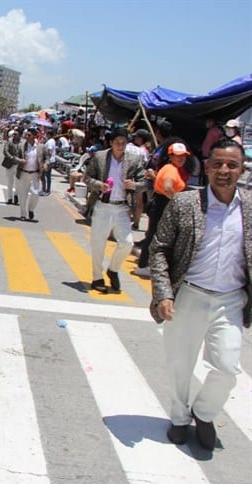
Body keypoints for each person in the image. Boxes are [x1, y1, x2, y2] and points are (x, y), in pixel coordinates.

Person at [149, 139, 251, 450]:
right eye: (218, 164)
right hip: (188, 296)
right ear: (206, 168)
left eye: (232, 165)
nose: (224, 170)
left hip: (231, 300)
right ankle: (179, 418)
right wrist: (164, 293)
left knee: (228, 368)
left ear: (242, 170)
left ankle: (204, 413)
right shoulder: (184, 204)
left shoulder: (249, 207)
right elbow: (159, 250)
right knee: (180, 363)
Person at [85, 127, 146, 293]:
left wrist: (135, 185)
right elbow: (87, 177)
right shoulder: (100, 157)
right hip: (103, 205)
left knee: (127, 243)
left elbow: (145, 182)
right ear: (111, 143)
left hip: (121, 207)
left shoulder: (134, 160)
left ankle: (113, 269)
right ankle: (97, 277)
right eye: (117, 142)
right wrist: (99, 185)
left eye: (123, 143)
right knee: (98, 243)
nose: (120, 146)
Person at [134, 142, 190, 277]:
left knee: (155, 235)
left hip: (162, 203)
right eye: (177, 156)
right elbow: (167, 187)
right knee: (155, 236)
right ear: (171, 156)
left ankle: (146, 263)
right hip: (163, 204)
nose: (181, 158)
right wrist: (179, 202)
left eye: (183, 156)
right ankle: (143, 264)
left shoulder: (172, 168)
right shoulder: (171, 169)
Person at [16, 128, 46, 221]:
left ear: (34, 136)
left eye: (29, 135)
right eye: (26, 135)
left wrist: (45, 164)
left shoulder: (41, 147)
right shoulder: (21, 146)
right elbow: (15, 157)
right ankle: (23, 214)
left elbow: (46, 158)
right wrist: (21, 160)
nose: (26, 137)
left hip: (35, 174)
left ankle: (31, 209)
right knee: (23, 195)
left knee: (35, 193)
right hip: (24, 173)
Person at [3, 129, 22, 205]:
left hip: (18, 165)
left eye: (16, 134)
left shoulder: (22, 143)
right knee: (10, 183)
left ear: (19, 135)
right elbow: (5, 151)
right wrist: (11, 158)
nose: (14, 135)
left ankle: (16, 195)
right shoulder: (9, 142)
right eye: (14, 134)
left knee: (18, 183)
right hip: (10, 164)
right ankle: (10, 198)